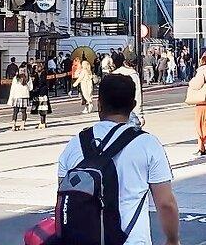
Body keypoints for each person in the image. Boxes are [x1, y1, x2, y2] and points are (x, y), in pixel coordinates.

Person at [55, 74, 180, 245]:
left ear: (99, 103)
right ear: (133, 105)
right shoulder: (148, 144)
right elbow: (166, 203)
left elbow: (63, 196)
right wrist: (173, 239)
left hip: (83, 239)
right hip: (131, 240)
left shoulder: (76, 143)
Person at [112, 51, 144, 127]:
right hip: (128, 111)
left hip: (113, 111)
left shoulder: (114, 73)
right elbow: (137, 96)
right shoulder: (133, 75)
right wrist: (140, 115)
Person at [30, 62, 52, 128]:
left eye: (37, 67)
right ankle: (42, 122)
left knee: (43, 107)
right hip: (38, 92)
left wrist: (37, 88)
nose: (36, 68)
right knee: (40, 108)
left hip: (42, 92)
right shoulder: (37, 74)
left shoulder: (43, 73)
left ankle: (43, 123)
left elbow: (42, 82)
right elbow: (35, 82)